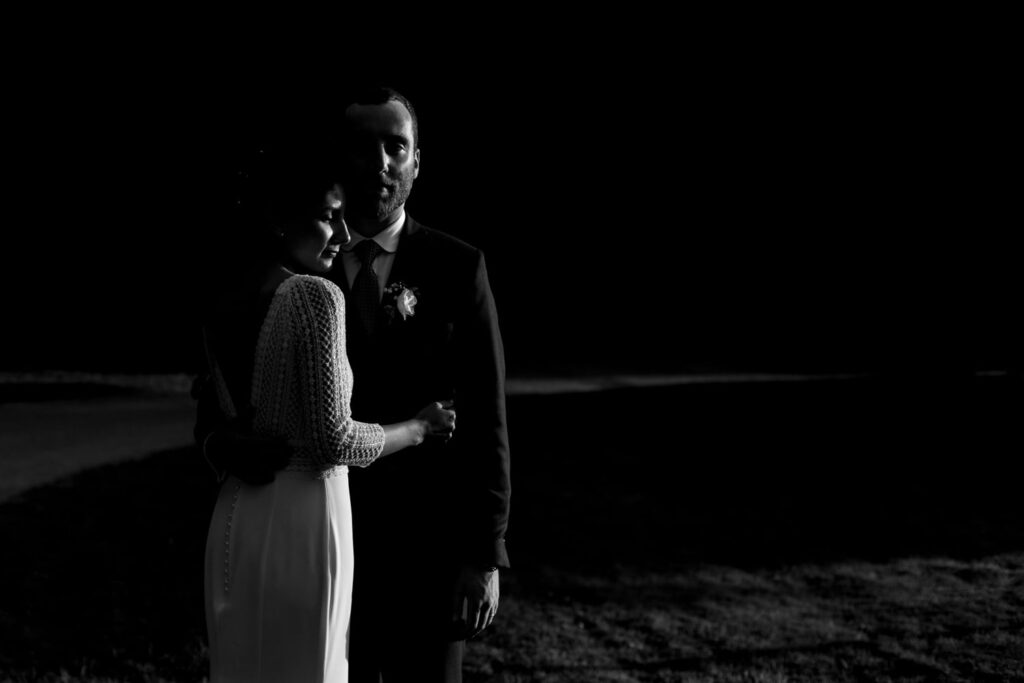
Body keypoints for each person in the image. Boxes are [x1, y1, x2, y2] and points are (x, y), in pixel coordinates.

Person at [196, 147, 457, 683]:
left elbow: (218, 411)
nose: (341, 232)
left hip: (237, 518)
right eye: (328, 214)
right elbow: (335, 439)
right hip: (306, 519)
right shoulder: (316, 296)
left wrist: (219, 445)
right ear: (277, 217)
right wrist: (419, 427)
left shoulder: (225, 296)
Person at [332, 86, 511, 683]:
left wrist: (484, 554)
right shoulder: (307, 264)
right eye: (363, 147)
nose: (380, 163)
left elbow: (486, 416)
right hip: (326, 542)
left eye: (396, 146)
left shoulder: (458, 268)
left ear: (416, 161)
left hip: (429, 552)